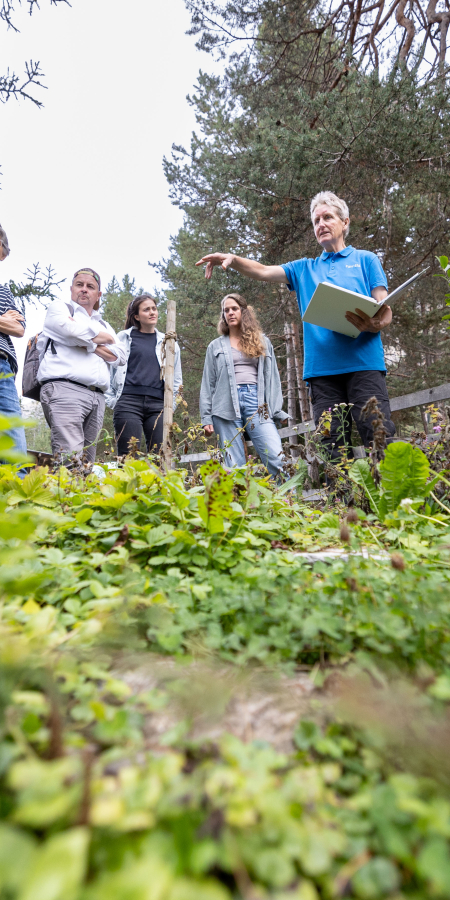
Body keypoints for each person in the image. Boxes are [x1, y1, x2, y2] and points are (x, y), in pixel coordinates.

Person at [196, 191, 396, 459]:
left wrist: (374, 323)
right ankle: (343, 502)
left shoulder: (366, 260)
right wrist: (232, 259)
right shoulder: (304, 269)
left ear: (345, 222)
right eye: (316, 221)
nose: (321, 224)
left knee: (379, 435)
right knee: (331, 448)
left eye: (327, 217)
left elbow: (384, 307)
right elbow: (263, 270)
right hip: (322, 373)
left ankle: (393, 500)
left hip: (365, 366)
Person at [37, 268, 126, 465]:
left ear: (98, 295)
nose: (84, 290)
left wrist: (86, 340)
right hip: (64, 389)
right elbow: (69, 331)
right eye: (80, 285)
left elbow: (121, 356)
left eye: (90, 286)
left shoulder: (104, 324)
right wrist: (103, 341)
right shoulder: (59, 309)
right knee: (70, 462)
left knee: (87, 465)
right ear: (71, 289)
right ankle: (64, 496)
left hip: (97, 397)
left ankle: (78, 496)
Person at [200, 293, 288, 476]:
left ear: (243, 312)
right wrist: (206, 418)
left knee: (276, 457)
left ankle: (287, 501)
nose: (230, 313)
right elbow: (208, 384)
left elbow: (272, 378)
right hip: (224, 406)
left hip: (257, 403)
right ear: (223, 316)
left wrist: (277, 411)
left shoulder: (262, 341)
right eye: (226, 310)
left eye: (234, 309)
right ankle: (239, 503)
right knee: (234, 465)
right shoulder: (215, 346)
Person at [105, 294, 182, 456]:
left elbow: (176, 379)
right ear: (137, 316)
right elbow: (108, 370)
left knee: (160, 456)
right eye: (146, 310)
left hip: (159, 406)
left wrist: (171, 406)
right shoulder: (123, 338)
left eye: (154, 308)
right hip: (128, 403)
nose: (152, 312)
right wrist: (113, 401)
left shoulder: (168, 342)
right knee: (129, 456)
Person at [0, 224, 28, 466]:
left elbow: (18, 328)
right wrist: (1, 320)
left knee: (13, 440)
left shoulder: (4, 291)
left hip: (4, 365)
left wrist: (8, 323)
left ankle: (15, 498)